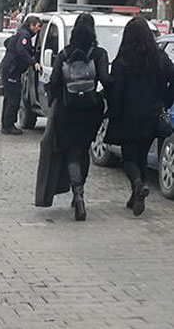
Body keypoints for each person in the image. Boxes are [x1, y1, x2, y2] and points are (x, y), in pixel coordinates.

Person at [105, 17, 174, 217]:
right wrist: (165, 100)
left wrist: (113, 113)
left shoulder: (122, 62)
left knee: (129, 158)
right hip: (151, 115)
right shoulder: (160, 59)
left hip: (128, 116)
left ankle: (137, 185)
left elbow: (116, 92)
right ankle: (136, 195)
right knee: (142, 155)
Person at [46, 13, 111, 221]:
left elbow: (55, 82)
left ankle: (78, 195)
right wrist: (100, 98)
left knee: (71, 153)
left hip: (67, 110)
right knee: (84, 150)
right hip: (91, 111)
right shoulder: (99, 54)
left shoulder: (64, 54)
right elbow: (106, 81)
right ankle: (80, 193)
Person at [0, 16, 42, 135]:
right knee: (14, 98)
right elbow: (21, 50)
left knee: (9, 97)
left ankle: (6, 124)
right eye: (37, 26)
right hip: (12, 70)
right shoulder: (24, 35)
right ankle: (9, 125)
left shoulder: (21, 33)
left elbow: (7, 42)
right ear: (31, 25)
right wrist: (33, 62)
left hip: (9, 69)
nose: (38, 29)